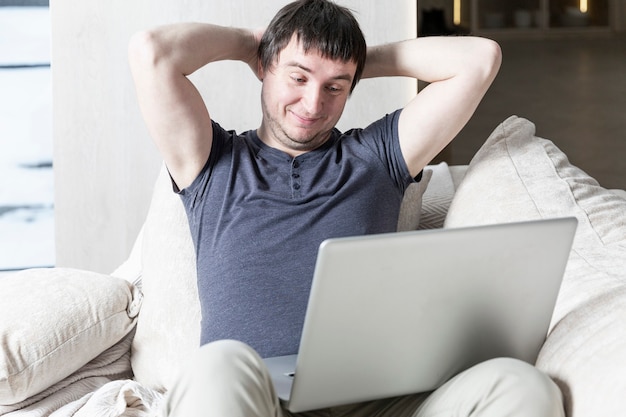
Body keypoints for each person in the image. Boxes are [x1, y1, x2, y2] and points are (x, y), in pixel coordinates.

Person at [128, 1, 565, 416]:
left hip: (376, 400)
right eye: (298, 78)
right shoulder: (213, 163)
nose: (314, 104)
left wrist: (354, 62)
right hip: (258, 400)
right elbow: (153, 52)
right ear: (265, 68)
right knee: (219, 365)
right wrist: (250, 42)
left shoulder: (375, 156)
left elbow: (480, 58)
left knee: (520, 384)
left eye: (335, 87)